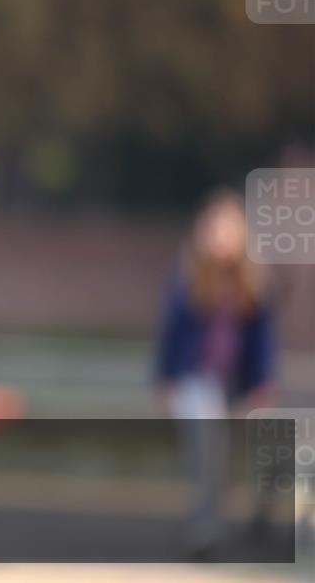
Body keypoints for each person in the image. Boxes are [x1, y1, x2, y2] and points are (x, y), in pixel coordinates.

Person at [153, 188, 278, 558]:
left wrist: (264, 387)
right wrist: (165, 380)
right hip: (197, 380)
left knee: (272, 441)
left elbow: (263, 345)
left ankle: (261, 512)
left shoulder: (255, 284)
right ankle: (205, 525)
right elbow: (171, 335)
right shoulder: (187, 278)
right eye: (214, 229)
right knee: (208, 438)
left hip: (238, 384)